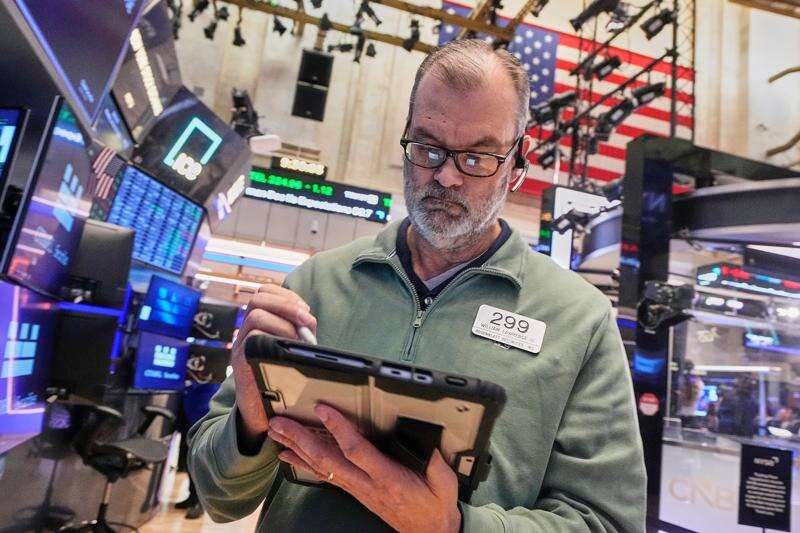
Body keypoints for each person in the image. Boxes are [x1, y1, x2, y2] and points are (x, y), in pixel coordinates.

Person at [188, 39, 646, 532]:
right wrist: (250, 424)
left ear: (519, 161)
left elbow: (607, 523)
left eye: (477, 158)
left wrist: (455, 527)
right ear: (406, 135)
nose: (446, 177)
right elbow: (218, 496)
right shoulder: (315, 284)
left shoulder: (579, 321)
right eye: (428, 149)